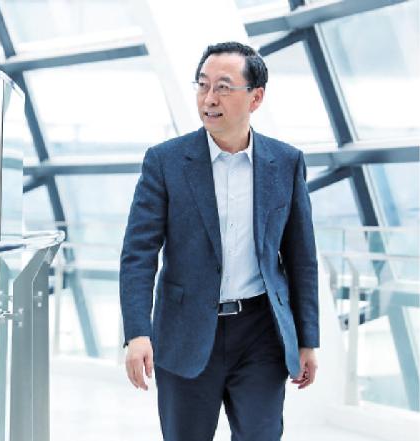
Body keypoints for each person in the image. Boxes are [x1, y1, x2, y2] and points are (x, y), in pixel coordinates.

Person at [119, 41, 319, 441]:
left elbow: (301, 258)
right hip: (185, 332)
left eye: (223, 87)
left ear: (255, 97)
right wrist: (137, 333)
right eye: (203, 85)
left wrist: (307, 340)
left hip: (261, 332)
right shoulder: (165, 162)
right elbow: (138, 255)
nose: (209, 98)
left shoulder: (286, 162)